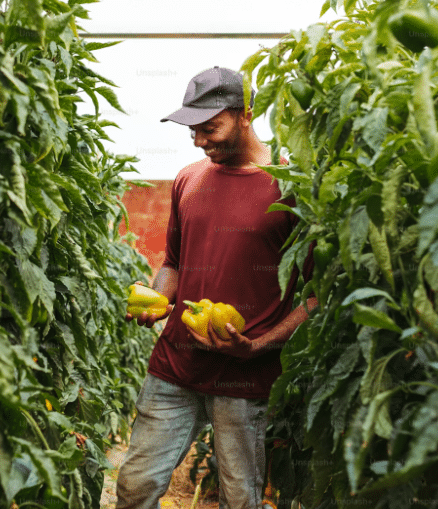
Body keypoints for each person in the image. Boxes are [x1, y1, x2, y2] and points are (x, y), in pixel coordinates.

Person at [116, 66, 317, 509]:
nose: (200, 141)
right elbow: (173, 264)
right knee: (135, 485)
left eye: (210, 129)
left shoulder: (292, 185)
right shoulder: (189, 178)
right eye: (194, 131)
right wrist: (158, 300)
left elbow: (315, 293)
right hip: (175, 364)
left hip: (244, 376)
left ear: (246, 114)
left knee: (241, 499)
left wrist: (260, 345)